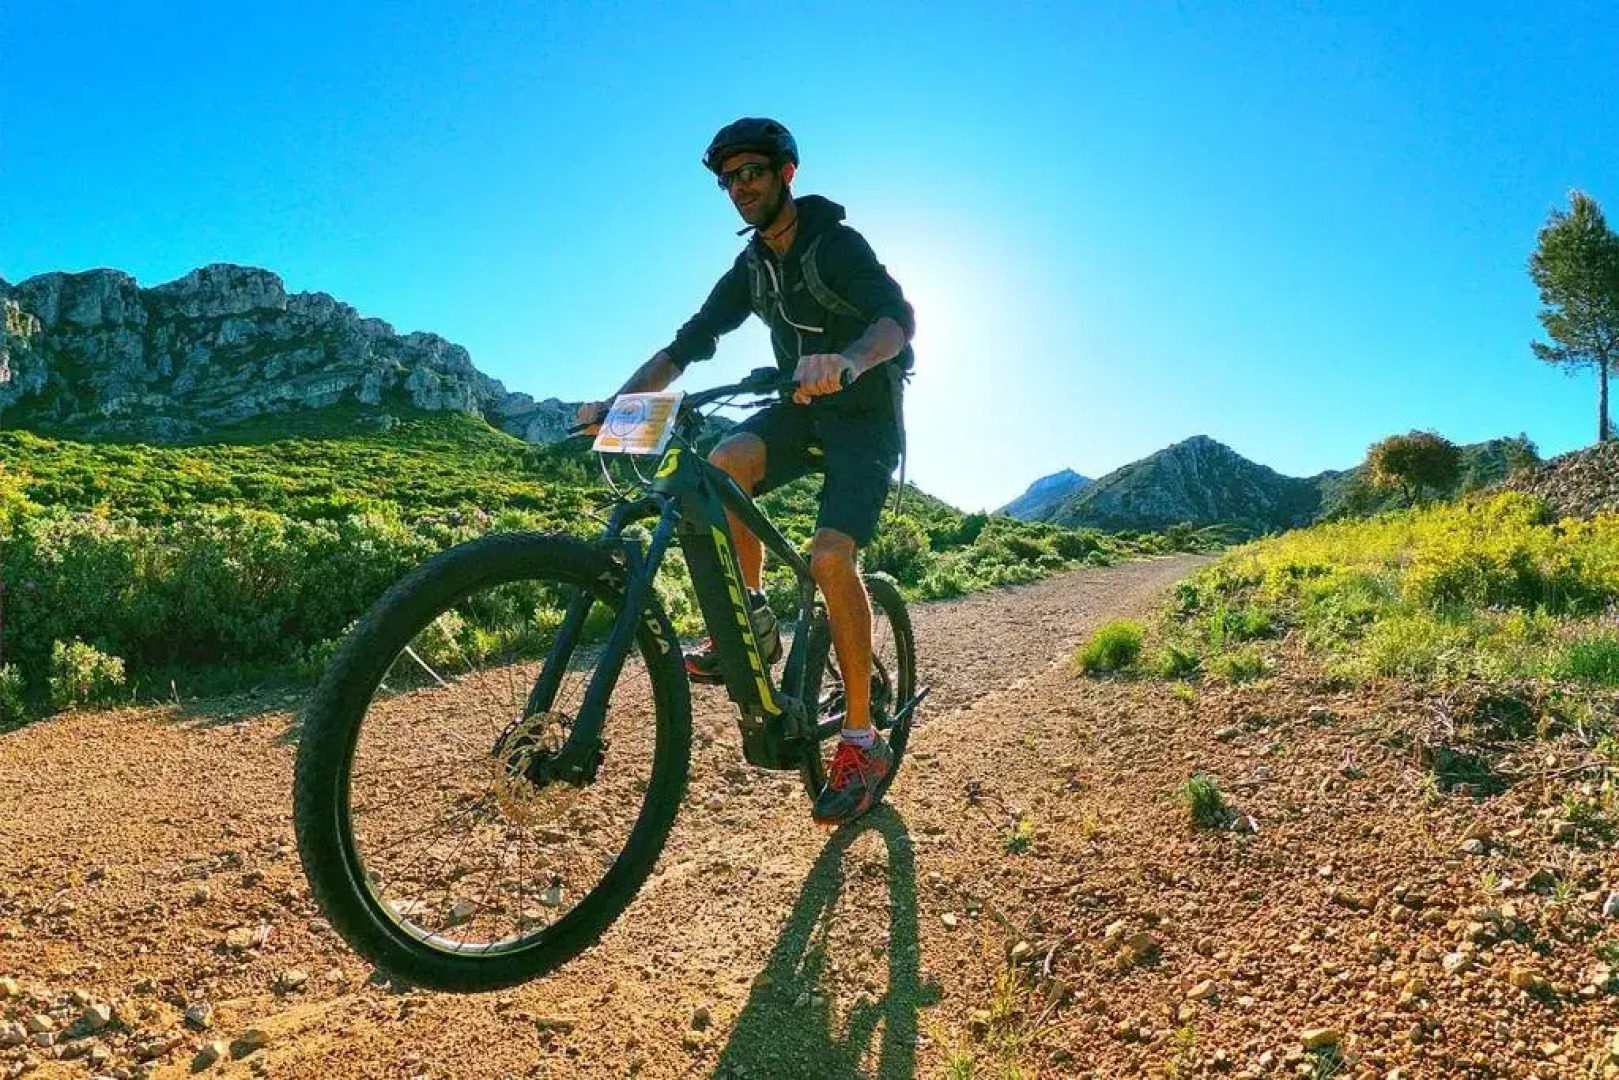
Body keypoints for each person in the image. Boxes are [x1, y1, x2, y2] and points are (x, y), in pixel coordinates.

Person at [576, 117, 915, 824]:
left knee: (829, 559)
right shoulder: (752, 267)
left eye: (752, 172)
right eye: (728, 179)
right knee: (723, 463)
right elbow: (688, 344)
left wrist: (849, 360)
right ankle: (752, 619)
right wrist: (618, 405)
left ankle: (862, 739)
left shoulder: (835, 244)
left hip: (863, 416)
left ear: (786, 173)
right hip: (800, 409)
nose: (740, 187)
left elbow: (896, 320)